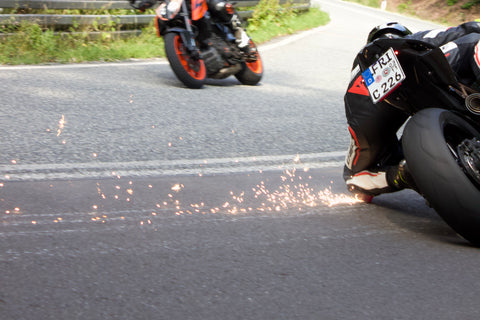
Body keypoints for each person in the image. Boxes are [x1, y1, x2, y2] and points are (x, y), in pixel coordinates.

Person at [344, 21, 480, 199]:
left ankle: (403, 172)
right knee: (474, 42)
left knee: (354, 177)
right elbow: (471, 32)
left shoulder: (360, 70)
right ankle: (411, 168)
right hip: (424, 67)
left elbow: (354, 165)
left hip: (362, 92)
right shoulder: (422, 38)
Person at [130, 0, 251, 51]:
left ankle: (239, 31)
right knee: (163, 21)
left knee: (217, 5)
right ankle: (184, 48)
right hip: (175, 4)